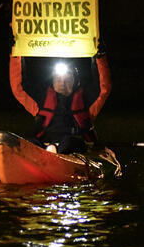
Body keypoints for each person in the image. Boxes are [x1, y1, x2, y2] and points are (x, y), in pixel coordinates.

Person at [9, 40, 120, 173]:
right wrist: (15, 54)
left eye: (68, 79)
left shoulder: (87, 101)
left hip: (75, 147)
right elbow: (19, 88)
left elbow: (104, 88)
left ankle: (56, 157)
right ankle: (44, 158)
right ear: (53, 81)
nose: (62, 83)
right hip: (45, 146)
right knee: (28, 142)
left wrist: (100, 56)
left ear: (75, 81)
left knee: (69, 142)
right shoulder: (40, 100)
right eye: (58, 79)